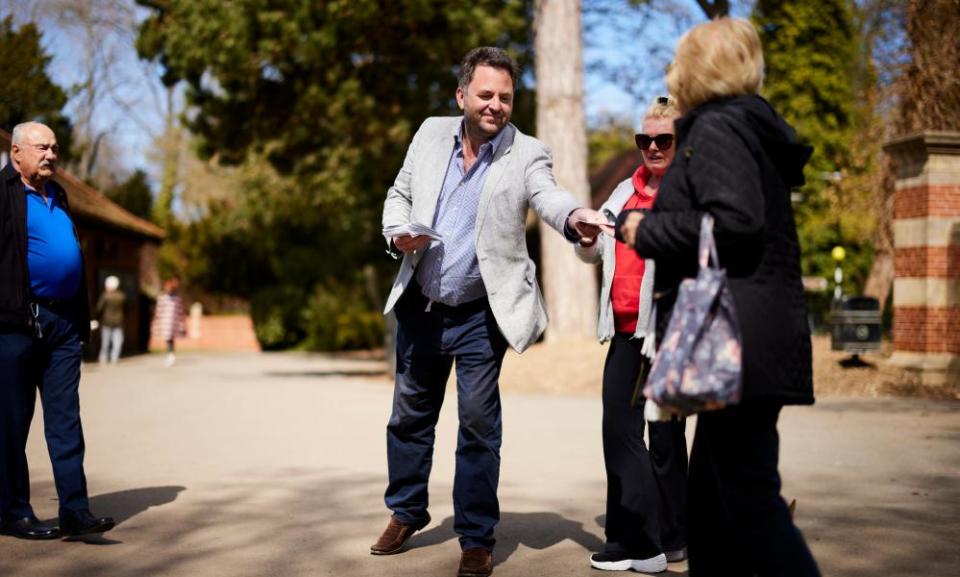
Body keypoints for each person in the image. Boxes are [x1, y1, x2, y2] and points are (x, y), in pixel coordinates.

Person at [375, 46, 604, 577]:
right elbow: (399, 193)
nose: (495, 105)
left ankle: (475, 537)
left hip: (481, 315)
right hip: (421, 307)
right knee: (409, 417)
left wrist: (574, 218)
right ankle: (405, 511)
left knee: (478, 425)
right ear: (462, 95)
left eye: (505, 96)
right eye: (485, 94)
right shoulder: (431, 133)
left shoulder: (527, 153)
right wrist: (397, 233)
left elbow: (548, 197)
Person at [617, 18, 821, 577]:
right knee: (709, 509)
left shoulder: (718, 127)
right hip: (753, 341)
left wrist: (644, 230)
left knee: (751, 503)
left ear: (697, 68)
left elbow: (735, 220)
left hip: (739, 348)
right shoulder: (749, 127)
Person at [575, 96, 687, 573]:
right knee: (620, 428)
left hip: (666, 327)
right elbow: (597, 250)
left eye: (663, 139)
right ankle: (640, 536)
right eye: (646, 139)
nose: (653, 147)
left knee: (661, 435)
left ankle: (651, 539)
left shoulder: (688, 190)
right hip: (624, 328)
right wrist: (586, 238)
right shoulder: (623, 190)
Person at [0, 121, 115, 539]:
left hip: (63, 324)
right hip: (16, 324)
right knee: (11, 422)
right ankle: (13, 512)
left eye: (54, 147)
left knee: (66, 421)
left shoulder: (59, 196)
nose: (51, 154)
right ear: (16, 153)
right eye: (41, 147)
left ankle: (75, 511)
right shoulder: (3, 194)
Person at [153, 278, 186, 367]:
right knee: (168, 339)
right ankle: (170, 354)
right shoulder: (162, 299)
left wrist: (182, 324)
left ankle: (170, 354)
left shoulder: (177, 299)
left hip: (173, 323)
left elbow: (180, 312)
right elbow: (158, 312)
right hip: (165, 322)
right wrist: (157, 322)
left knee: (170, 339)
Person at [96, 275, 125, 364]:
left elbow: (99, 308)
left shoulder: (105, 296)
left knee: (105, 342)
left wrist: (96, 318)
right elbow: (126, 309)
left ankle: (103, 358)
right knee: (117, 342)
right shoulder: (122, 296)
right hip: (119, 321)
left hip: (106, 322)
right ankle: (114, 358)